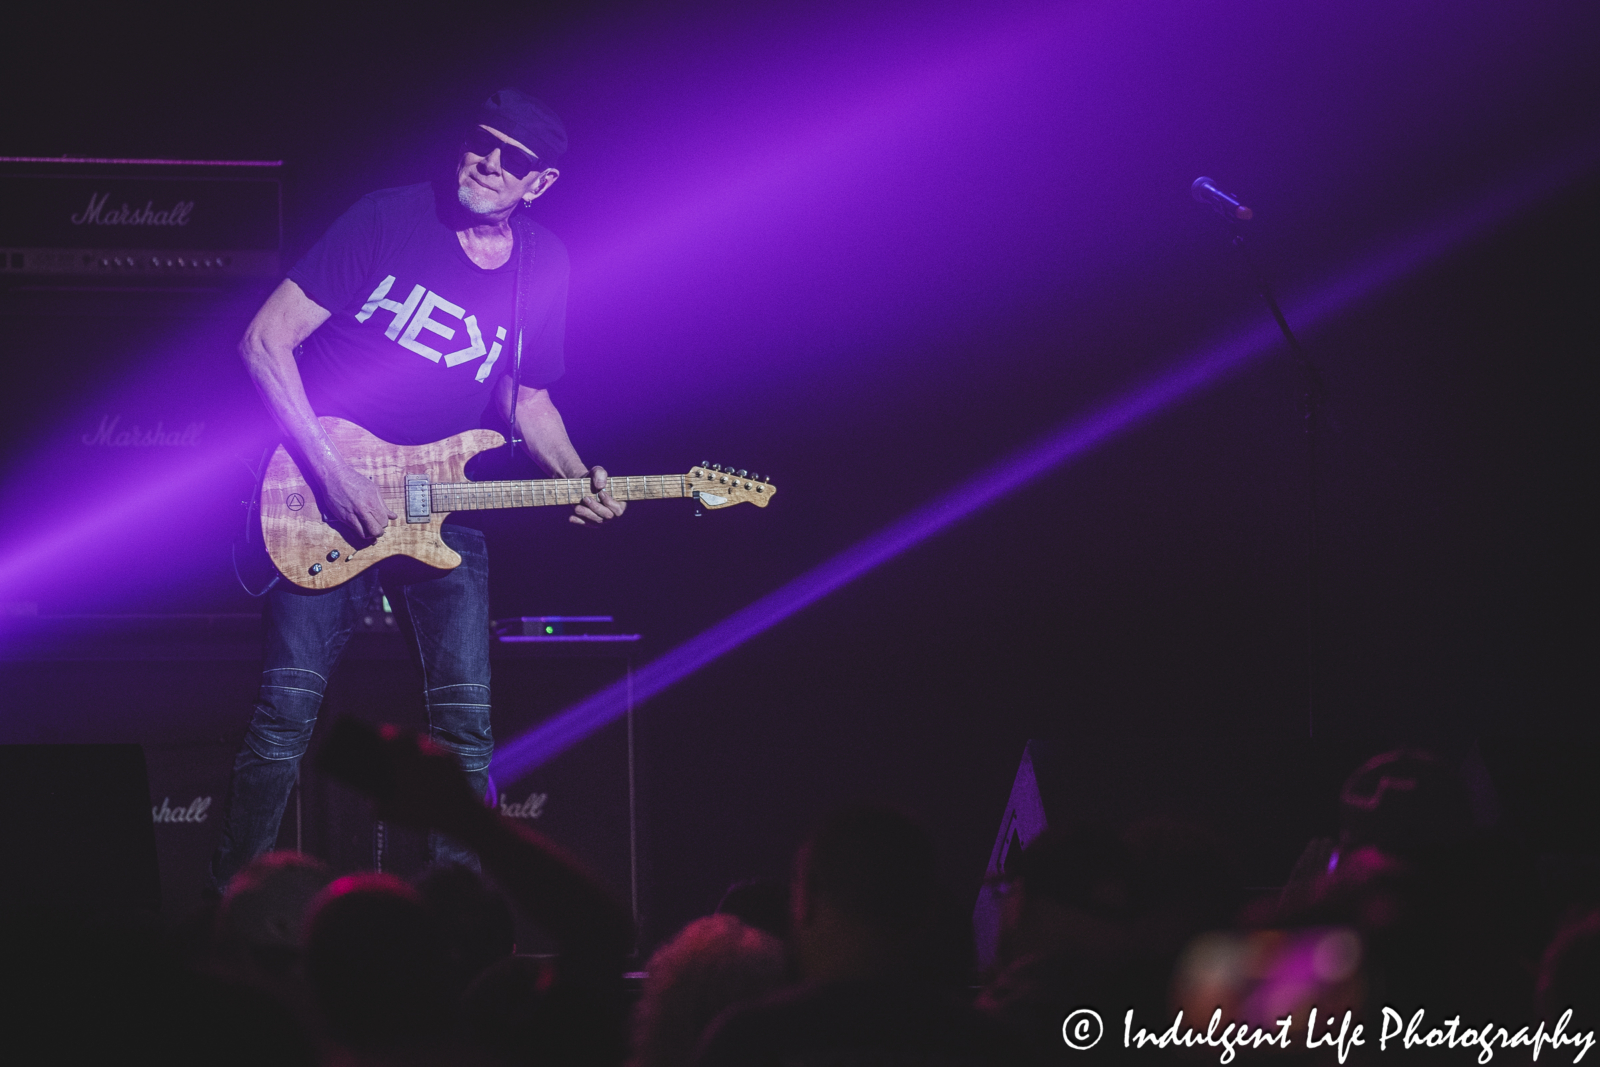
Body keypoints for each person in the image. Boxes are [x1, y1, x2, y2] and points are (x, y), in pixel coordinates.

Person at [211, 88, 624, 891]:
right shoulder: (388, 218)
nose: (489, 162)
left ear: (539, 185)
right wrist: (336, 476)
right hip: (320, 490)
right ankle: (229, 906)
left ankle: (456, 919)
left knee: (466, 730)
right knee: (285, 720)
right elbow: (264, 340)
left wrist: (577, 477)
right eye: (482, 144)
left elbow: (524, 395)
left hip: (442, 501)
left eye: (514, 159)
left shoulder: (545, 264)